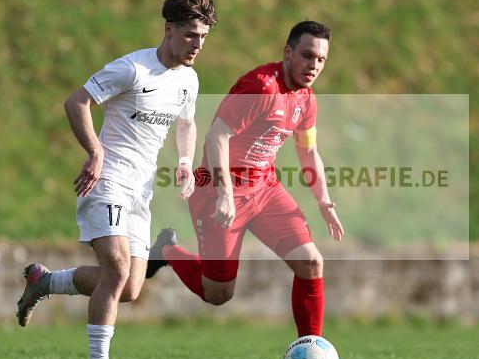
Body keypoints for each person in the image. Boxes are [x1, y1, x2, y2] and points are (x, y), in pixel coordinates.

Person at [15, 0, 218, 359]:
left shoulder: (189, 81)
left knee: (128, 288)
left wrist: (183, 162)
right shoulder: (132, 68)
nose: (197, 45)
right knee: (118, 269)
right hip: (107, 180)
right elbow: (76, 102)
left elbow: (188, 123)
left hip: (140, 190)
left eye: (204, 37)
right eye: (191, 34)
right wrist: (95, 152)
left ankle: (45, 282)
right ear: (169, 29)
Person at [146, 20, 344, 339]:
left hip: (265, 189)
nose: (314, 65)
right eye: (307, 55)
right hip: (216, 191)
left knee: (311, 263)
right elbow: (216, 138)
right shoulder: (262, 87)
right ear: (288, 52)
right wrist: (225, 194)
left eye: (321, 59)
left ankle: (312, 349)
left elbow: (308, 152)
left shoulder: (306, 99)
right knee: (218, 293)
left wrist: (324, 201)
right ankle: (166, 251)